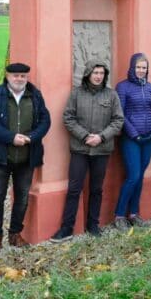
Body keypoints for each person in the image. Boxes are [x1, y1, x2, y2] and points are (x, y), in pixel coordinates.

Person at [50, 61, 124, 242]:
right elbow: (68, 118)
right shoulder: (76, 93)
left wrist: (101, 137)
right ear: (88, 74)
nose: (98, 76)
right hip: (80, 149)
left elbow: (118, 120)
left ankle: (93, 224)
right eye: (95, 72)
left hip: (102, 149)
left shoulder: (111, 95)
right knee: (74, 189)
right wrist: (84, 136)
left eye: (101, 73)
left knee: (97, 189)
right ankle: (66, 228)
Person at [0, 62, 51, 253]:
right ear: (8, 76)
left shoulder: (35, 95)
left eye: (23, 76)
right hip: (0, 157)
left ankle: (15, 233)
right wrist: (11, 137)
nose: (19, 79)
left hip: (27, 156)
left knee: (22, 198)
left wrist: (32, 137)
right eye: (16, 76)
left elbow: (45, 120)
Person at [113, 53, 151, 229]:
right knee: (133, 176)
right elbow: (121, 114)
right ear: (132, 68)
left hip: (148, 138)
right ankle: (119, 215)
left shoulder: (150, 87)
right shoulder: (123, 87)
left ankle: (134, 214)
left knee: (140, 176)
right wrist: (134, 134)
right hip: (131, 139)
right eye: (138, 67)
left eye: (144, 68)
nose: (141, 70)